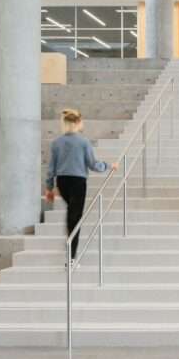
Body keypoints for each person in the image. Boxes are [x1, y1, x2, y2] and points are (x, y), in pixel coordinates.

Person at [45, 109, 116, 267]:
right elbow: (93, 164)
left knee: (72, 215)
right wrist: (110, 165)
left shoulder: (57, 143)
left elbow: (51, 168)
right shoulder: (83, 142)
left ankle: (71, 252)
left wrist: (49, 188)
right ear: (77, 123)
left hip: (62, 183)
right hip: (78, 183)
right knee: (74, 218)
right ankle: (71, 259)